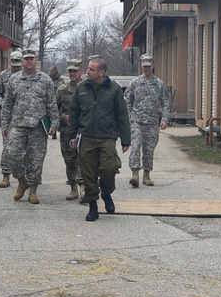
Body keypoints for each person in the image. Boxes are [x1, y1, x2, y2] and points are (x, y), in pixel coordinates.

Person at [69, 57, 131, 221]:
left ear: (101, 72)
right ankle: (93, 206)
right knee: (88, 174)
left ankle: (106, 192)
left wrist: (126, 140)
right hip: (87, 137)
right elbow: (74, 114)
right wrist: (71, 136)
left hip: (107, 137)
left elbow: (122, 115)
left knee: (109, 169)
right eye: (88, 68)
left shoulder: (115, 89)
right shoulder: (81, 88)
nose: (87, 71)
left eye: (91, 69)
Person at [0, 48, 58, 204]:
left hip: (38, 126)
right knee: (12, 155)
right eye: (26, 59)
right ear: (22, 61)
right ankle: (21, 181)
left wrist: (54, 124)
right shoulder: (14, 79)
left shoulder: (45, 79)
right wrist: (4, 124)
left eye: (32, 58)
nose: (29, 61)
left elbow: (52, 103)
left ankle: (33, 190)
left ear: (35, 60)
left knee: (36, 160)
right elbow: (7, 103)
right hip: (17, 124)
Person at [125, 53, 171, 187]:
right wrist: (128, 118)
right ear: (142, 67)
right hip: (136, 121)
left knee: (149, 149)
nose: (147, 69)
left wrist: (165, 119)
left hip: (152, 122)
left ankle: (146, 174)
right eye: (144, 67)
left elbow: (166, 103)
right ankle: (134, 173)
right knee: (135, 146)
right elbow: (128, 101)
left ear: (153, 66)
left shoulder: (159, 84)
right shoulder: (135, 83)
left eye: (149, 66)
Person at [55, 59, 85, 201]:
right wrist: (62, 117)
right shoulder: (62, 90)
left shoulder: (87, 88)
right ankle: (73, 188)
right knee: (70, 159)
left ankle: (84, 186)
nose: (72, 73)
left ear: (81, 71)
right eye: (70, 71)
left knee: (85, 159)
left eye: (75, 71)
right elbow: (54, 108)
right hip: (67, 131)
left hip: (85, 130)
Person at [0, 50, 22, 187]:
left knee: (25, 148)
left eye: (18, 65)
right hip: (8, 117)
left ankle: (26, 176)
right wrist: (1, 103)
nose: (16, 68)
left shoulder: (27, 76)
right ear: (9, 63)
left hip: (24, 117)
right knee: (7, 147)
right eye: (14, 65)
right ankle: (6, 175)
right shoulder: (4, 76)